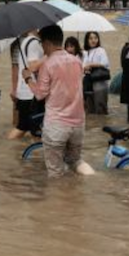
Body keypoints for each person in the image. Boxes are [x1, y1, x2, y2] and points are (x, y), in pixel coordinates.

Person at [25, 24, 90, 179]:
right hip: (78, 123)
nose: (41, 47)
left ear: (47, 43)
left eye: (41, 43)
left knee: (55, 173)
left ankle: (59, 202)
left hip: (57, 125)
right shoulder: (76, 61)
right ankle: (94, 178)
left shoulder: (47, 65)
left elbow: (40, 94)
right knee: (76, 161)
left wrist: (28, 78)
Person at [7, 28, 44, 139]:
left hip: (26, 91)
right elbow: (33, 66)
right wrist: (50, 56)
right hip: (31, 93)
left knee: (24, 127)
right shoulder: (33, 43)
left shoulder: (27, 41)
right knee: (28, 128)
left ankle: (13, 150)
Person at [82, 31, 111, 115]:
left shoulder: (101, 50)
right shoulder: (86, 52)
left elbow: (104, 63)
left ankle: (101, 125)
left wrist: (91, 64)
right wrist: (85, 67)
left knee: (100, 109)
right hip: (89, 82)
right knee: (90, 110)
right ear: (87, 40)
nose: (93, 40)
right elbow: (83, 66)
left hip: (100, 82)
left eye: (95, 38)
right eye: (90, 38)